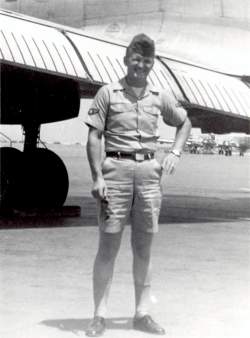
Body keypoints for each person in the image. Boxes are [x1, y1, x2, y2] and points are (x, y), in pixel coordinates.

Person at [84, 33, 191, 337]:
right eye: (136, 59)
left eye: (146, 61)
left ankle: (141, 314)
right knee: (108, 247)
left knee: (143, 248)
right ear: (125, 60)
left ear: (152, 63)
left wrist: (175, 151)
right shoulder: (107, 93)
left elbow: (184, 123)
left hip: (148, 173)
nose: (140, 65)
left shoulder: (160, 95)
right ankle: (99, 316)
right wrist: (98, 177)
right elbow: (94, 137)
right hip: (115, 171)